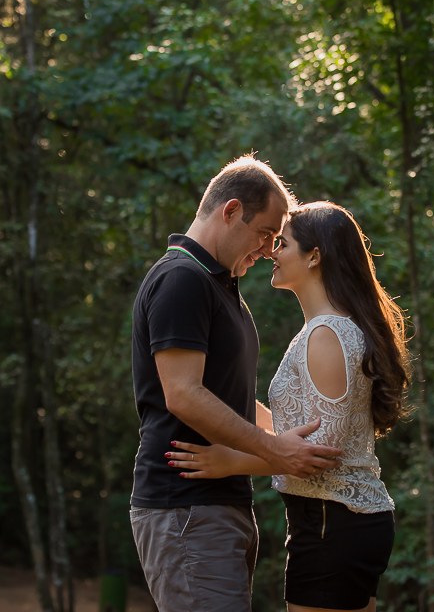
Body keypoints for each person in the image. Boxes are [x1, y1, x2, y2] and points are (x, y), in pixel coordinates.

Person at [167, 201, 411, 612]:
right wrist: (215, 400)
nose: (271, 253)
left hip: (332, 521)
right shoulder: (327, 328)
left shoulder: (327, 333)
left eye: (282, 243)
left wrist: (230, 461)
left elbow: (317, 454)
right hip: (338, 521)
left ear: (314, 257)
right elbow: (300, 424)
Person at [130, 156, 346, 612]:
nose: (269, 249)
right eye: (265, 233)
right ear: (230, 212)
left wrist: (294, 437)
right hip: (185, 506)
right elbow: (183, 394)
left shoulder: (219, 286)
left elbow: (229, 395)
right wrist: (275, 451)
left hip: (217, 506)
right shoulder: (181, 280)